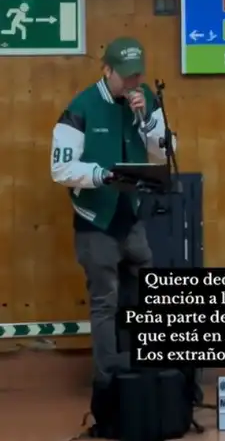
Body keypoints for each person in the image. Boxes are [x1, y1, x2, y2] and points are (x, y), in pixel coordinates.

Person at [50, 37, 175, 388]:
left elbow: (167, 150)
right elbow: (60, 170)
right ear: (107, 70)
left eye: (137, 76)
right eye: (125, 77)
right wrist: (101, 175)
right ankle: (108, 381)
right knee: (105, 301)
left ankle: (147, 371)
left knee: (146, 291)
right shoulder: (81, 107)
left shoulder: (146, 99)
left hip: (131, 218)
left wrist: (146, 122)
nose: (133, 83)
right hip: (95, 221)